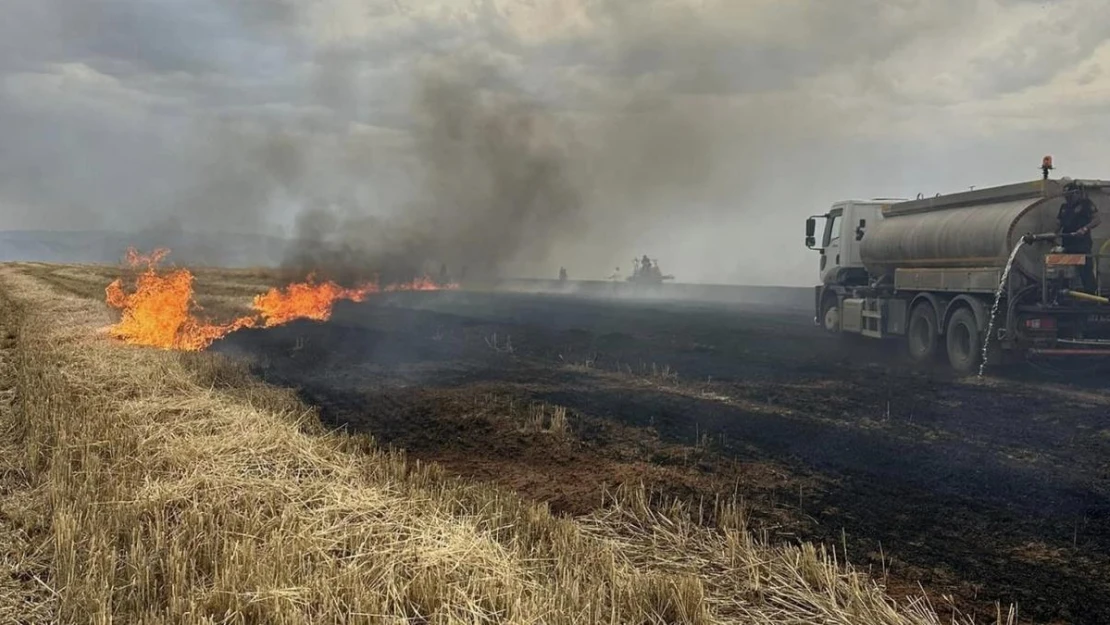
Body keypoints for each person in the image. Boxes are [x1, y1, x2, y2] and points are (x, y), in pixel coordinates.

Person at [1057, 182, 1102, 293]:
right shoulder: (1064, 207)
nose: (1067, 198)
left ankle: (1091, 293)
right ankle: (1063, 293)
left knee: (1085, 269)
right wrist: (1052, 234)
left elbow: (1097, 220)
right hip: (1067, 242)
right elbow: (1058, 224)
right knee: (1063, 269)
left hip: (1081, 243)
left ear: (1077, 193)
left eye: (1070, 195)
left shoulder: (1086, 204)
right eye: (1066, 196)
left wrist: (1084, 229)